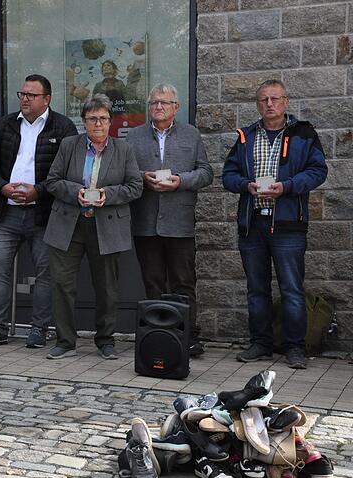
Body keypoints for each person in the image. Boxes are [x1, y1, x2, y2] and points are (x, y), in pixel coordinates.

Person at [222, 79, 328, 370]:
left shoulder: (304, 134)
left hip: (288, 226)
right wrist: (246, 185)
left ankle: (295, 348)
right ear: (258, 105)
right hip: (252, 224)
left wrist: (289, 186)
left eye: (274, 99)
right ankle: (261, 344)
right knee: (256, 289)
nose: (269, 104)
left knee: (291, 289)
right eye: (263, 100)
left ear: (286, 102)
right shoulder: (245, 136)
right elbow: (227, 175)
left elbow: (319, 171)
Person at [0, 74, 77, 348]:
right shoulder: (7, 123)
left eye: (31, 95)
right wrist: (2, 187)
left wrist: (39, 191)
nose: (25, 99)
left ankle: (38, 330)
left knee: (45, 273)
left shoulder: (63, 128)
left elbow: (68, 170)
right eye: (22, 94)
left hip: (44, 214)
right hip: (5, 212)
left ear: (47, 99)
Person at [43, 94, 143, 359]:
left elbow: (136, 187)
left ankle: (106, 340)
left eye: (102, 118)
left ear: (111, 121)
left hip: (106, 225)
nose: (97, 123)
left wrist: (106, 195)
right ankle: (65, 341)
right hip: (68, 223)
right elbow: (51, 181)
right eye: (92, 119)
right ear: (84, 121)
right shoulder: (69, 145)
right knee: (62, 284)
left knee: (107, 287)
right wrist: (75, 191)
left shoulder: (124, 150)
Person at [126, 83, 213, 357]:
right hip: (146, 221)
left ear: (176, 107)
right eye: (153, 103)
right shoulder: (134, 136)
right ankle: (156, 335)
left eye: (164, 102)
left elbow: (206, 173)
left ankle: (187, 336)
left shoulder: (191, 134)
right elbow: (124, 171)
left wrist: (181, 181)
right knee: (152, 281)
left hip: (180, 221)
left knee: (183, 282)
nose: (158, 107)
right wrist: (143, 177)